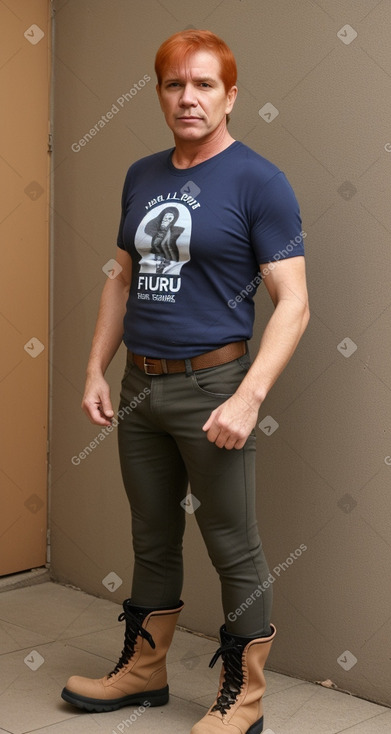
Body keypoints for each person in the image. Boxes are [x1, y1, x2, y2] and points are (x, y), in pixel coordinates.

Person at [61, 29, 310, 734]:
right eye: (174, 84)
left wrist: (248, 394)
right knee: (150, 535)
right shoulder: (142, 174)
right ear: (160, 93)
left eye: (204, 84)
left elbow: (293, 302)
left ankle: (244, 701)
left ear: (230, 95)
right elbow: (122, 276)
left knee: (234, 545)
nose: (188, 97)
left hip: (214, 389)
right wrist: (94, 370)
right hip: (139, 385)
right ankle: (143, 674)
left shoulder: (259, 181)